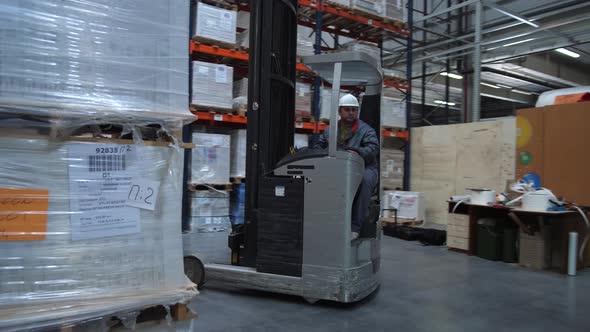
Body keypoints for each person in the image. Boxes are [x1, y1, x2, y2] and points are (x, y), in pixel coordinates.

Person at [313, 94, 379, 240]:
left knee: (365, 181)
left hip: (364, 167)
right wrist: (317, 152)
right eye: (347, 109)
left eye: (354, 110)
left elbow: (373, 149)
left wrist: (357, 151)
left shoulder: (366, 130)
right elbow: (320, 145)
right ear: (339, 111)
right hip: (341, 167)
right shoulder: (331, 130)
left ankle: (355, 226)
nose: (350, 113)